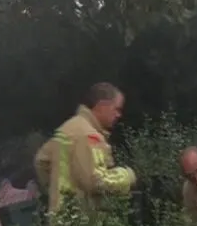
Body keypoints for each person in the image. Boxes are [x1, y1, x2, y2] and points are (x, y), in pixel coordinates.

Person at [33, 83, 136, 216]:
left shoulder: (69, 128)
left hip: (61, 219)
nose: (118, 115)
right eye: (116, 109)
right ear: (102, 105)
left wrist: (55, 192)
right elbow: (95, 181)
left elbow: (41, 161)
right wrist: (127, 176)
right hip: (82, 222)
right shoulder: (89, 135)